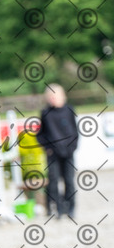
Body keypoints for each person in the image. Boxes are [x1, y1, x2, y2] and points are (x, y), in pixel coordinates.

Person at [36, 84, 78, 218]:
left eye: (55, 95)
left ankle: (70, 208)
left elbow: (75, 131)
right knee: (53, 182)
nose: (53, 98)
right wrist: (48, 148)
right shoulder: (45, 113)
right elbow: (40, 135)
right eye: (50, 96)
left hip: (68, 152)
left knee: (69, 181)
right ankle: (59, 208)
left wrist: (72, 147)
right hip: (53, 154)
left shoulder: (69, 110)